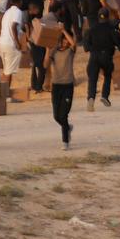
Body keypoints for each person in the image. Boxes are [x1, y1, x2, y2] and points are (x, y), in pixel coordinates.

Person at [47, 18, 79, 147]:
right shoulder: (54, 51)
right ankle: (67, 128)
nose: (66, 41)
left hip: (68, 85)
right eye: (64, 39)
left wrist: (63, 31)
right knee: (56, 116)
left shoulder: (70, 51)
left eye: (67, 39)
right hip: (56, 85)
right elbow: (45, 64)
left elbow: (74, 44)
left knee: (64, 114)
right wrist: (47, 51)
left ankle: (65, 141)